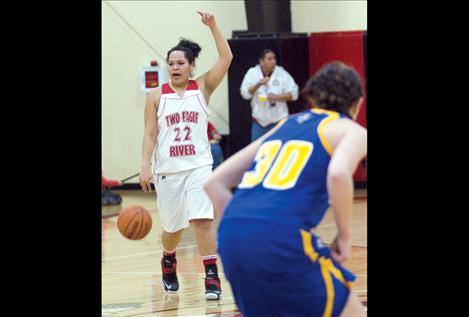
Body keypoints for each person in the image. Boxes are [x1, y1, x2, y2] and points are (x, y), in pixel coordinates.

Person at [204, 62, 367, 316]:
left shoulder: (285, 124)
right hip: (280, 238)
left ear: (312, 95)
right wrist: (345, 236)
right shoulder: (352, 130)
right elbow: (338, 174)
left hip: (230, 239)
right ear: (358, 103)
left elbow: (214, 183)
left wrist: (245, 232)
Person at [139, 11, 232, 300]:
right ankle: (168, 259)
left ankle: (211, 276)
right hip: (168, 170)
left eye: (181, 63)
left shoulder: (202, 87)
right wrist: (145, 164)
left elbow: (226, 58)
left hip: (198, 168)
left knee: (202, 220)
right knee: (173, 229)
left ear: (191, 66)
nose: (175, 67)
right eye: (171, 63)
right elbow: (151, 134)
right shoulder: (155, 96)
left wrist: (213, 25)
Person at [240, 49, 299, 141]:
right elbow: (245, 94)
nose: (273, 61)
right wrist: (258, 84)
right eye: (269, 59)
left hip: (279, 121)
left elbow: (294, 94)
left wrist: (277, 97)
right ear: (261, 61)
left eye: (274, 59)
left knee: (279, 149)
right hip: (259, 123)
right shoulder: (252, 73)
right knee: (257, 152)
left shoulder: (281, 73)